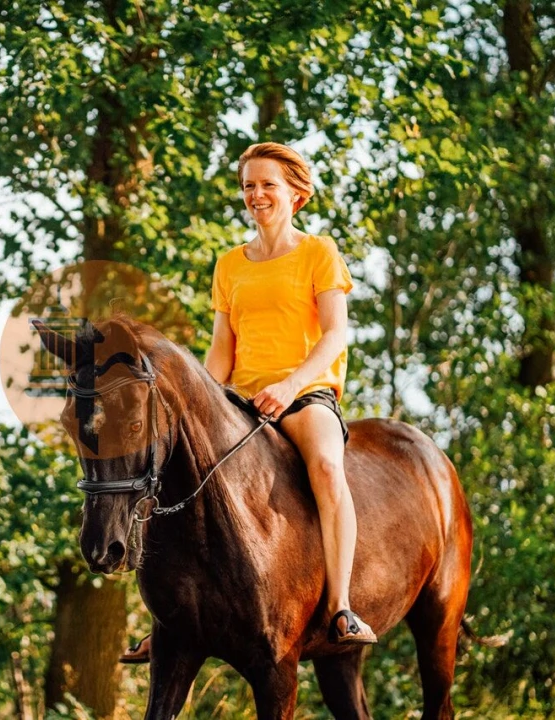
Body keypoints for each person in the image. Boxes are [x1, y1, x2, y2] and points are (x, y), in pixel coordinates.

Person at [120, 141, 375, 664]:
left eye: (267, 185)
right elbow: (220, 351)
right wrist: (196, 404)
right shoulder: (229, 264)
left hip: (304, 396)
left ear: (295, 195)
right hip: (238, 400)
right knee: (166, 475)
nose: (256, 194)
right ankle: (165, 621)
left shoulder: (318, 252)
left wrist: (289, 386)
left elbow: (335, 337)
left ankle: (342, 607)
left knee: (327, 467)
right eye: (248, 186)